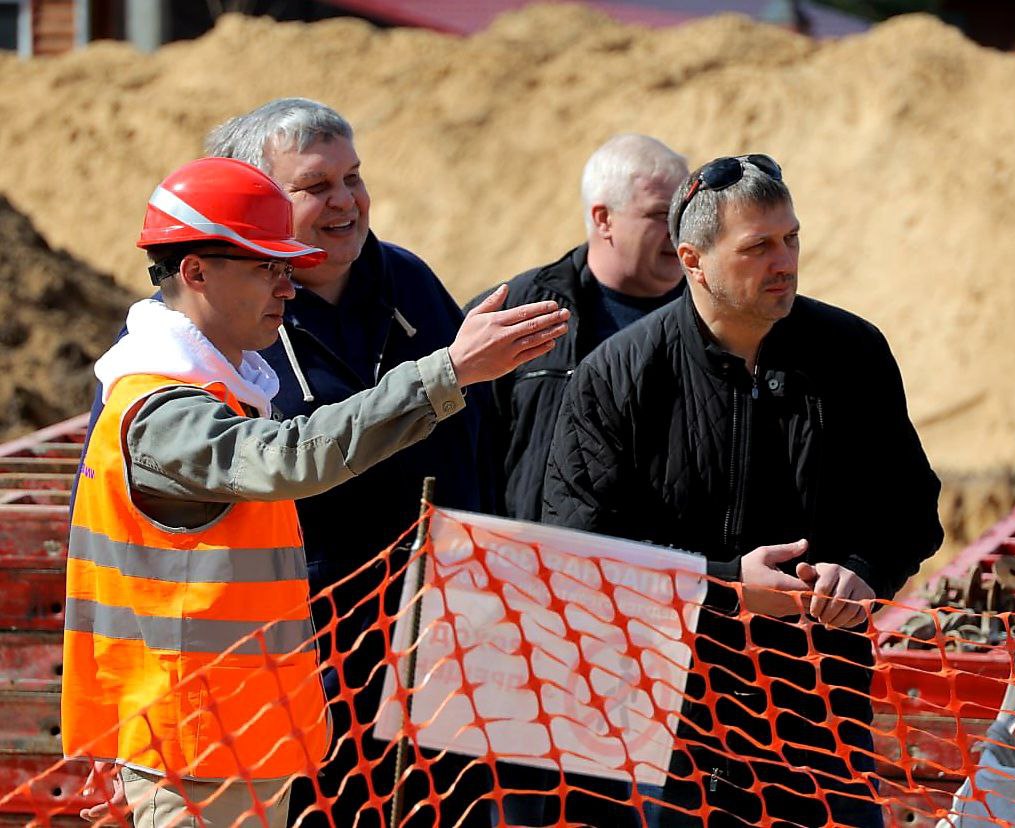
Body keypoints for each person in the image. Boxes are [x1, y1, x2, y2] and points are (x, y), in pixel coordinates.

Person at [64, 157, 569, 826]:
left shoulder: (218, 390)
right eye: (265, 268)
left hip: (234, 740)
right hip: (193, 747)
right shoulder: (161, 408)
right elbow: (291, 458)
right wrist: (445, 373)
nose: (287, 287)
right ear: (195, 272)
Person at [543, 154, 943, 827]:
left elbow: (909, 506)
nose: (783, 261)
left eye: (791, 239)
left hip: (824, 726)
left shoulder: (852, 351)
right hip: (672, 734)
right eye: (758, 246)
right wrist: (723, 588)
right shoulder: (616, 376)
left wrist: (866, 571)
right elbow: (579, 554)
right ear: (693, 258)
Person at [466, 133, 688, 522]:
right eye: (659, 215)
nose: (678, 231)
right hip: (526, 564)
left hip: (668, 571)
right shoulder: (515, 313)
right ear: (604, 219)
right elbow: (462, 452)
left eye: (683, 215)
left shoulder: (718, 321)